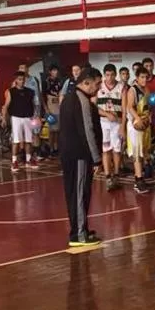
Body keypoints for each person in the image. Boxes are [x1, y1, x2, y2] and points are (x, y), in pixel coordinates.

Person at [59, 67, 103, 247]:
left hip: (72, 154)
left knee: (77, 193)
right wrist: (96, 158)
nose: (98, 88)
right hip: (78, 155)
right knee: (78, 194)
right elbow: (87, 131)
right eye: (97, 83)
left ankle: (81, 228)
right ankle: (79, 234)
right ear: (86, 82)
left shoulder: (69, 98)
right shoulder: (81, 100)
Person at [2, 71, 39, 172]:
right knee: (16, 140)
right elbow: (6, 106)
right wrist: (4, 118)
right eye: (19, 79)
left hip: (28, 117)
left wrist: (35, 117)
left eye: (23, 79)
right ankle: (14, 161)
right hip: (16, 118)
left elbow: (34, 105)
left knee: (28, 140)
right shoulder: (11, 91)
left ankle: (28, 160)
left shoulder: (30, 92)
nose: (21, 81)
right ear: (16, 80)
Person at [95, 64, 125, 190]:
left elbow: (125, 109)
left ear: (116, 74)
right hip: (103, 122)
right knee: (105, 149)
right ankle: (108, 177)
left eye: (112, 74)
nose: (110, 77)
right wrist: (107, 114)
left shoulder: (122, 87)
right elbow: (94, 106)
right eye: (107, 75)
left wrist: (123, 125)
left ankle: (116, 175)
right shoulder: (98, 86)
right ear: (104, 75)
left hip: (117, 123)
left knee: (117, 150)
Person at [125, 67, 153, 194]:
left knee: (143, 152)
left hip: (145, 122)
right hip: (135, 123)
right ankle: (138, 180)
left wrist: (149, 117)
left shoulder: (146, 89)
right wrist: (138, 119)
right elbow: (129, 107)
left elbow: (149, 106)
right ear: (136, 77)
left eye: (146, 77)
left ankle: (140, 177)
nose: (144, 79)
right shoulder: (132, 90)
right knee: (136, 153)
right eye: (141, 77)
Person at [17, 62, 44, 158]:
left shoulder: (34, 79)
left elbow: (39, 94)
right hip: (23, 111)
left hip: (35, 110)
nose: (22, 70)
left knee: (36, 131)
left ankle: (37, 152)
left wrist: (43, 107)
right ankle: (25, 153)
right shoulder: (17, 82)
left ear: (28, 69)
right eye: (20, 68)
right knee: (24, 132)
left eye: (23, 68)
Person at [43, 64, 63, 156]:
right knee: (52, 130)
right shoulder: (46, 82)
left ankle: (56, 147)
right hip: (50, 109)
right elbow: (42, 96)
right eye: (54, 70)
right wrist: (46, 109)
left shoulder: (59, 81)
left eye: (56, 70)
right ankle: (50, 148)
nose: (56, 72)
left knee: (58, 130)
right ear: (50, 72)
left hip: (58, 108)